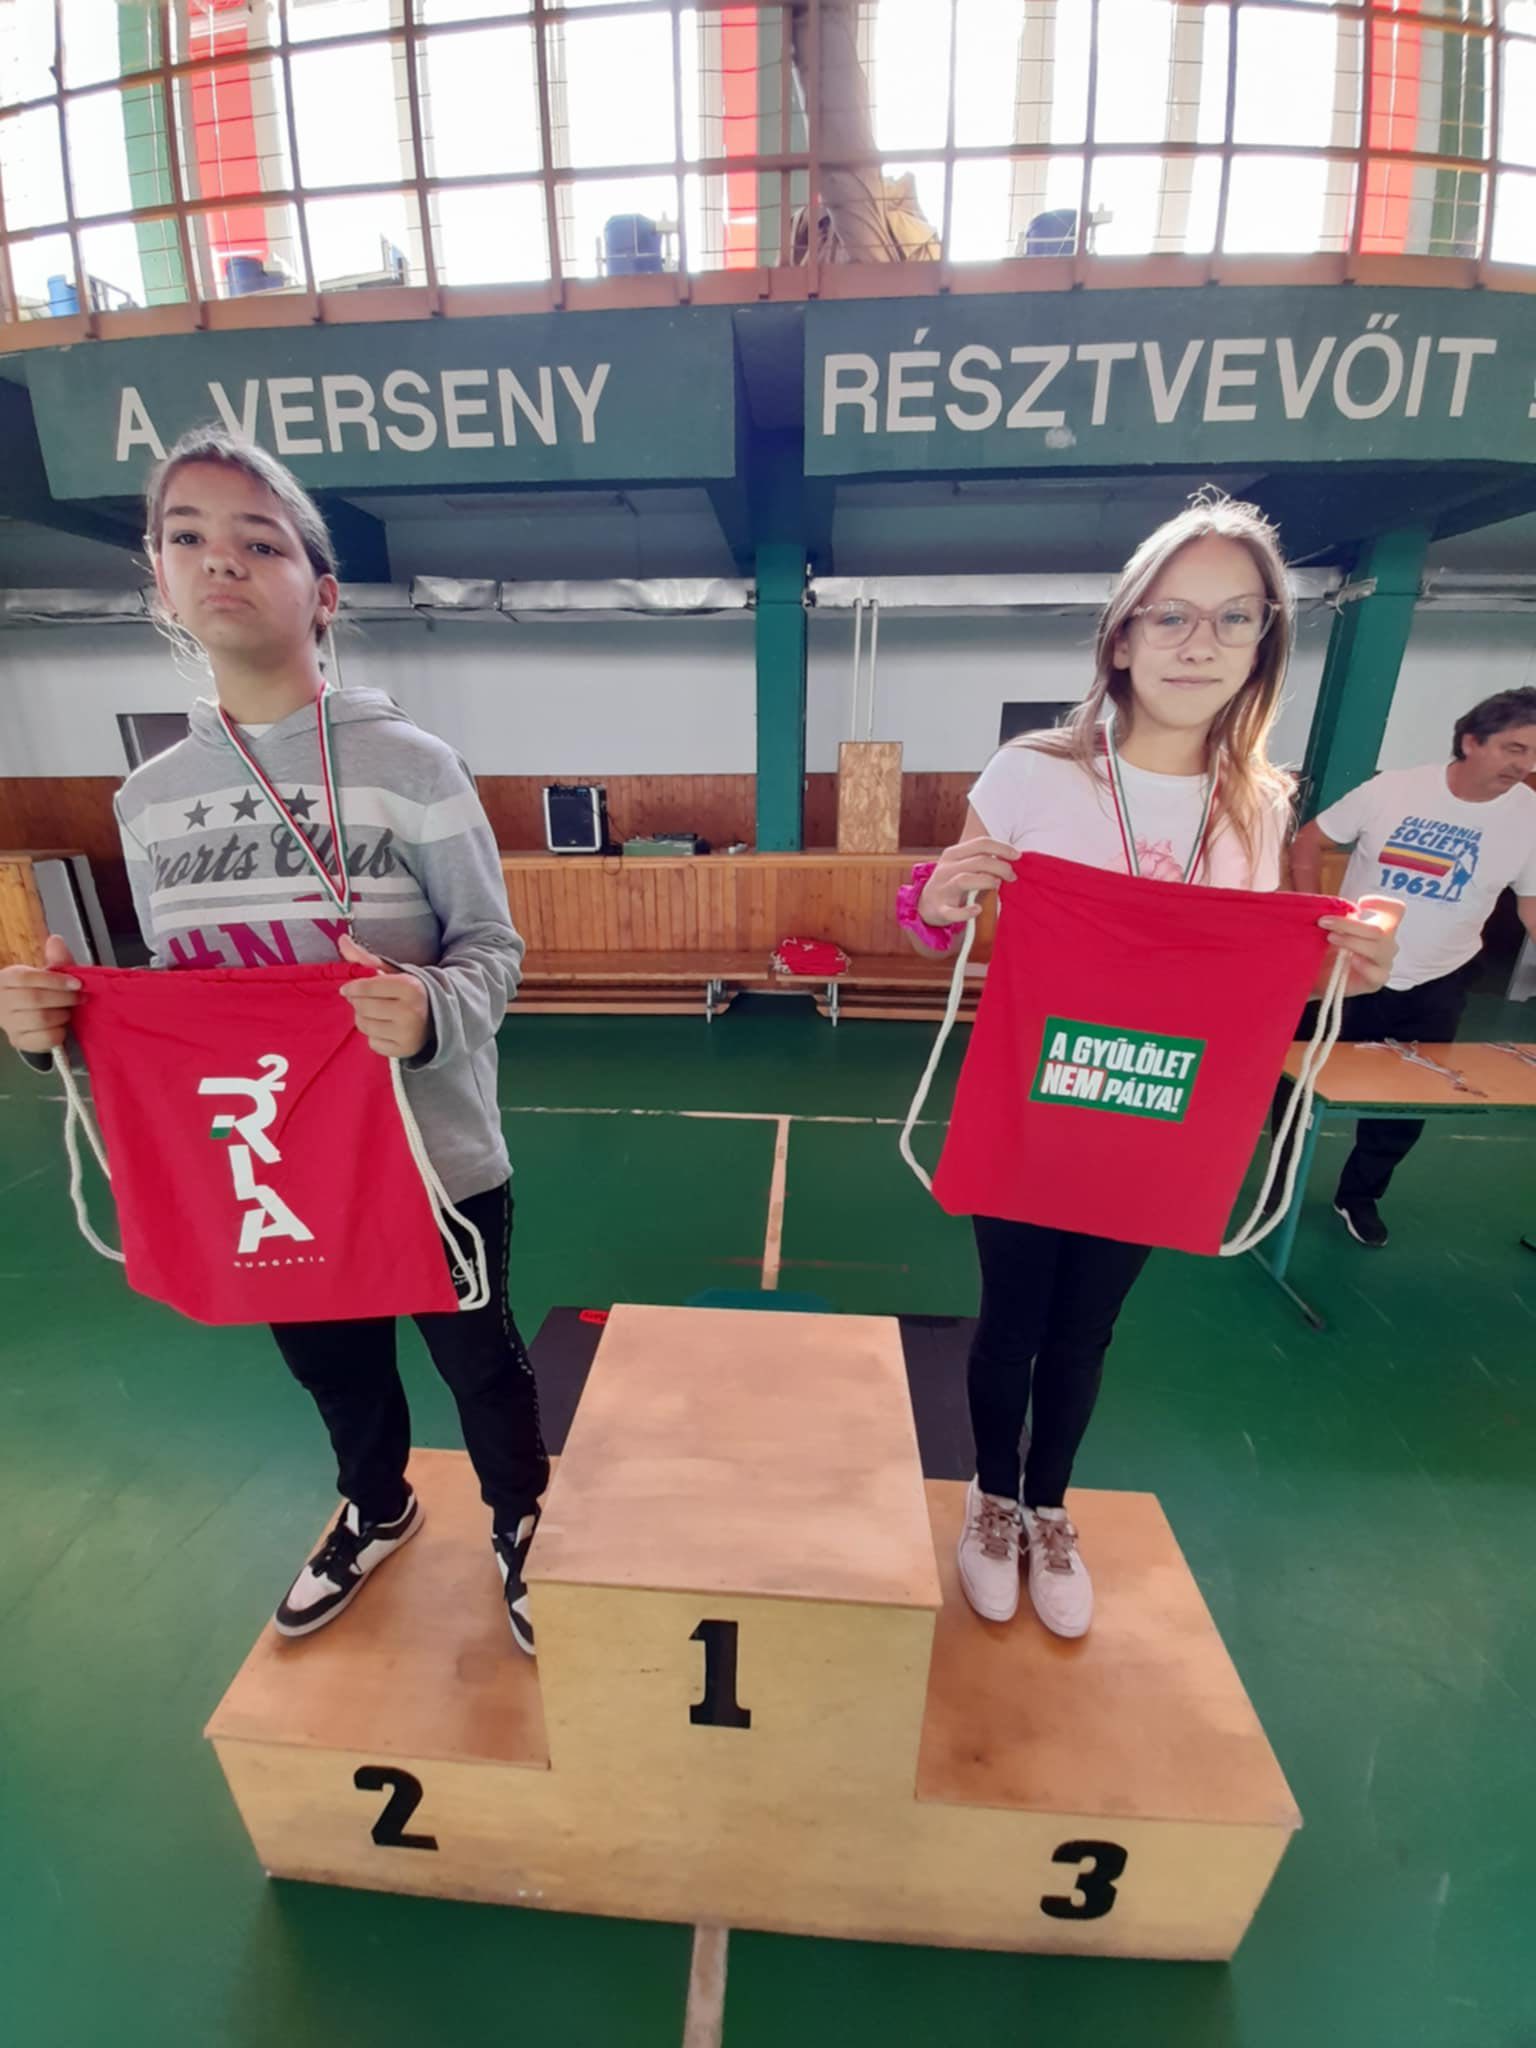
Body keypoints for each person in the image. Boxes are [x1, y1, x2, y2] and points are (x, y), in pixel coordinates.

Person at [0, 427, 549, 1656]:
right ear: (159, 582)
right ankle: (378, 1503)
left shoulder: (415, 766)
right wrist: (56, 1030)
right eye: (187, 537)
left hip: (430, 1155)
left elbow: (494, 951)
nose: (222, 560)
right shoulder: (147, 801)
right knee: (330, 1361)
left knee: (479, 1360)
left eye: (260, 541)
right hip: (261, 1162)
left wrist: (428, 1008)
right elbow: (181, 1000)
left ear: (323, 591)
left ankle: (521, 1515)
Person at [904, 494, 1400, 1638]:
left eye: (1235, 617)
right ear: (1122, 635)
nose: (1199, 642)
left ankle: (1048, 1503)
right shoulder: (1031, 772)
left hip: (1155, 1111)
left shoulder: (1260, 805)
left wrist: (1349, 971)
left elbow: (1247, 986)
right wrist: (932, 902)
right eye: (1171, 614)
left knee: (1088, 1330)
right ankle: (990, 1495)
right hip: (1038, 1100)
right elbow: (939, 919)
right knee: (1012, 1320)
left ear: (1264, 643)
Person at [1288, 687, 1536, 1247]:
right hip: (1351, 969)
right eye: (1513, 748)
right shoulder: (1394, 789)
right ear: (1471, 741)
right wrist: (1313, 915)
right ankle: (1281, 1178)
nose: (1524, 766)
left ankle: (1359, 1196)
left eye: (1534, 755)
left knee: (1407, 1100)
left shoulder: (1529, 817)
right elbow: (1310, 840)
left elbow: (1531, 903)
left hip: (1439, 980)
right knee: (1300, 1079)